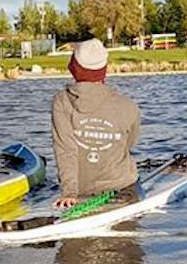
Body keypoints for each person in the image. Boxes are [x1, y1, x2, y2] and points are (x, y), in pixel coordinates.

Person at [52, 39, 140, 209]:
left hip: (81, 190)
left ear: (73, 68)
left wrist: (70, 193)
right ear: (104, 71)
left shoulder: (61, 101)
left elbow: (65, 149)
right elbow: (129, 144)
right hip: (123, 186)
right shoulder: (129, 106)